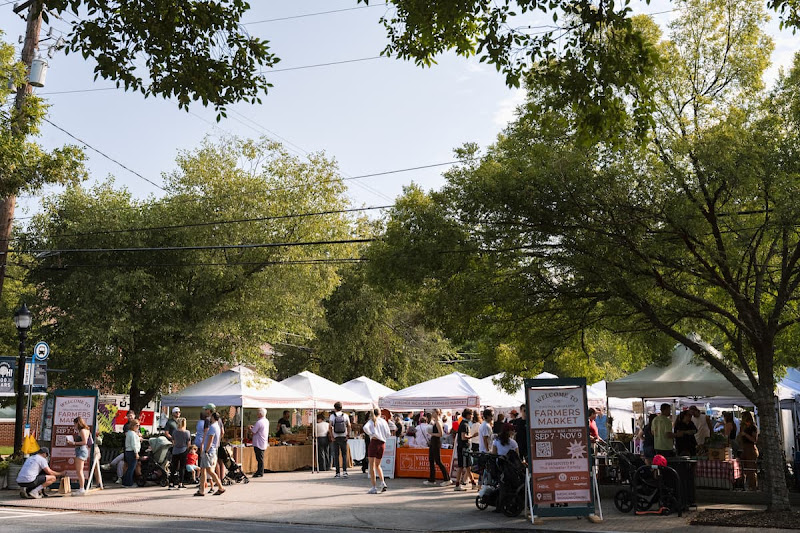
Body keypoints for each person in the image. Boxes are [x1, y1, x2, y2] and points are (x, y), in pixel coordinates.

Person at [196, 411, 225, 496]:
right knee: (203, 469)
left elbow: (210, 439)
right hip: (212, 450)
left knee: (210, 470)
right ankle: (201, 490)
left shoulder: (212, 427)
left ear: (213, 417)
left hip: (209, 451)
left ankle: (220, 487)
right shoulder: (217, 426)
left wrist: (206, 450)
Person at [363, 408, 390, 494]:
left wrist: (372, 434)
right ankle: (382, 482)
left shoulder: (371, 421)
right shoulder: (383, 421)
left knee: (372, 466)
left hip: (374, 442)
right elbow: (388, 433)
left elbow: (365, 428)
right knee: (378, 465)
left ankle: (374, 487)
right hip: (382, 443)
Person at [424, 408, 451, 486]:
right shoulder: (435, 422)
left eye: (433, 413)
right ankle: (431, 479)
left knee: (438, 461)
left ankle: (447, 479)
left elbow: (441, 434)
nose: (432, 414)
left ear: (437, 413)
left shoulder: (438, 422)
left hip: (436, 442)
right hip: (433, 442)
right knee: (431, 460)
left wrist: (431, 434)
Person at [329, 401, 351, 478]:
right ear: (341, 408)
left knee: (336, 454)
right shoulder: (345, 415)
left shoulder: (332, 416)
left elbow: (330, 427)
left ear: (335, 408)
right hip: (343, 437)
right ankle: (345, 471)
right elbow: (349, 425)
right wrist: (348, 434)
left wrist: (332, 436)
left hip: (335, 437)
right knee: (344, 454)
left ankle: (337, 473)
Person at [71, 416, 92, 495]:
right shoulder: (86, 430)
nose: (74, 426)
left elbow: (84, 442)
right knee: (79, 471)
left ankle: (81, 488)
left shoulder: (82, 431)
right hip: (81, 450)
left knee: (79, 471)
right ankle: (81, 488)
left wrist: (74, 443)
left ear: (78, 423)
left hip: (81, 450)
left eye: (75, 424)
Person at [453, 408, 473, 491]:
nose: (472, 416)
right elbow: (463, 437)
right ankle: (457, 484)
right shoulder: (464, 424)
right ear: (468, 415)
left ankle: (473, 482)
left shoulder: (463, 423)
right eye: (471, 415)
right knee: (462, 466)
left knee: (467, 466)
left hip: (463, 447)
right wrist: (473, 435)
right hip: (463, 447)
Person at [169, 417, 191, 489]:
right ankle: (180, 483)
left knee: (174, 467)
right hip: (183, 450)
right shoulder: (187, 432)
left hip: (175, 450)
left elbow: (173, 442)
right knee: (182, 468)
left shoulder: (174, 432)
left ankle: (171, 483)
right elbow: (188, 443)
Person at [740, 411, 759, 490]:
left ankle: (753, 486)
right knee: (745, 468)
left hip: (750, 448)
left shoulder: (753, 427)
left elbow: (754, 440)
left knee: (751, 469)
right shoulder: (744, 427)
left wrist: (745, 435)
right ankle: (746, 485)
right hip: (744, 448)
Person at [249, 407, 269, 478]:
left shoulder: (259, 422)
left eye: (258, 413)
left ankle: (260, 472)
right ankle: (260, 471)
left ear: (260, 414)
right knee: (260, 457)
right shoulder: (266, 421)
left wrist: (250, 428)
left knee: (259, 458)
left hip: (258, 442)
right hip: (263, 441)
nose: (257, 414)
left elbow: (254, 431)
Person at [122, 419, 141, 487]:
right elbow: (133, 444)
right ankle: (129, 483)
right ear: (133, 426)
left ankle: (125, 482)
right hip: (132, 452)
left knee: (130, 468)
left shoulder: (129, 433)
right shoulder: (132, 434)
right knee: (131, 468)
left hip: (128, 451)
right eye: (137, 425)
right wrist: (136, 453)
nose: (138, 427)